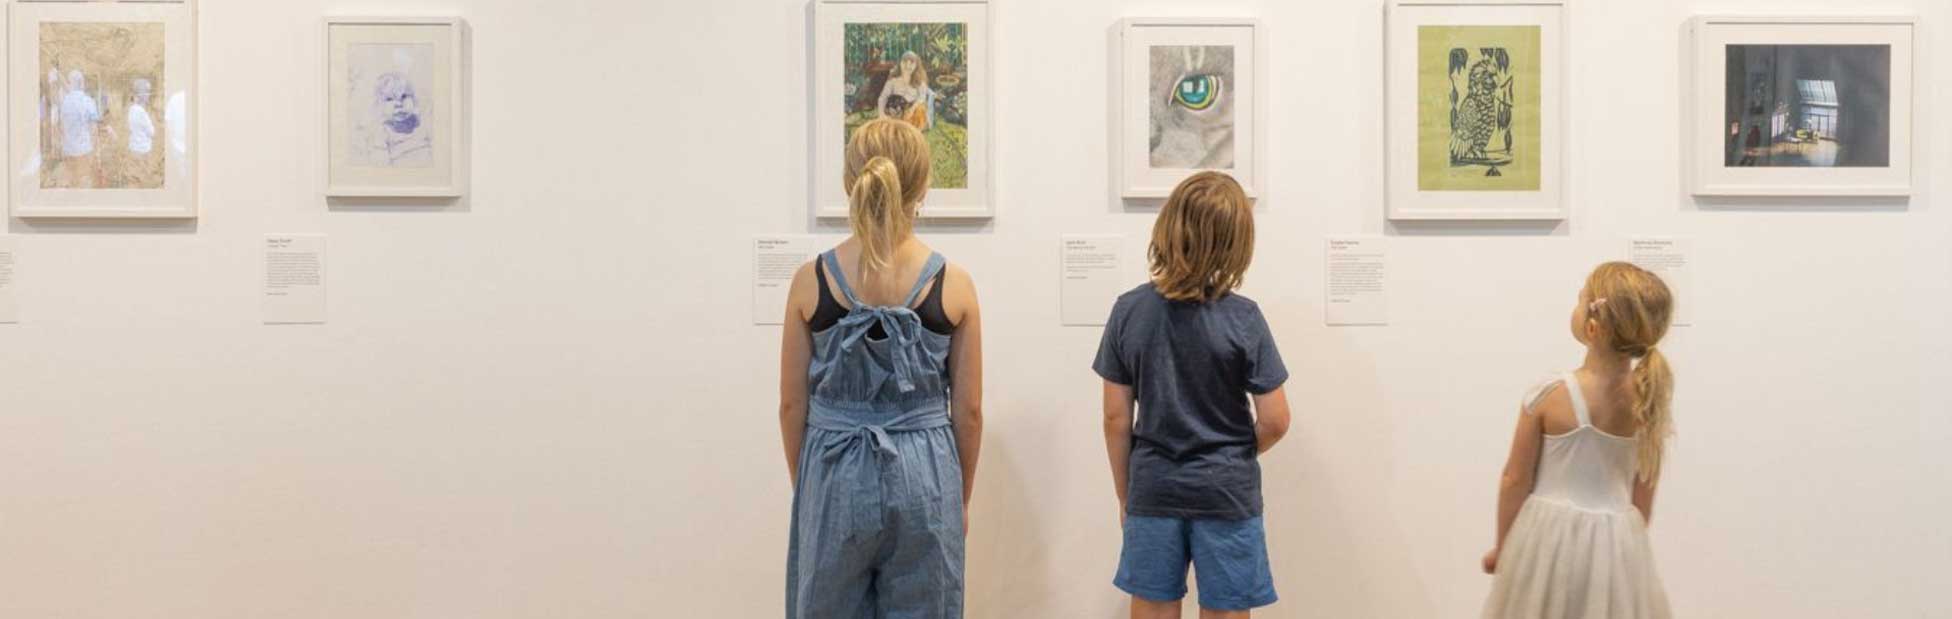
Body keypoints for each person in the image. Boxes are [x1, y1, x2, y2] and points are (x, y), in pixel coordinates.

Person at [779, 117, 983, 618]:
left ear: (851, 183)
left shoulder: (812, 281)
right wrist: (959, 498)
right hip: (926, 472)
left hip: (833, 465)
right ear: (923, 187)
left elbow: (790, 405)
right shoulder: (954, 285)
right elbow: (971, 411)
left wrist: (807, 484)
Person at [1096, 171, 1291, 619]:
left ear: (1168, 227)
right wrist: (1238, 453)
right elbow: (1277, 419)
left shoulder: (1129, 311)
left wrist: (1126, 493)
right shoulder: (1244, 318)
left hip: (1153, 486)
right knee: (1225, 610)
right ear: (1237, 242)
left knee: (1152, 605)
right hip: (1226, 490)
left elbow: (1115, 420)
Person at [1480, 262, 1676, 619]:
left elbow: (1515, 479)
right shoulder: (1649, 403)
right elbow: (1643, 499)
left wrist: (1504, 546)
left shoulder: (1549, 395)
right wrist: (1618, 549)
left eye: (1580, 298)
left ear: (1592, 325)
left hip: (1546, 539)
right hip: (1616, 544)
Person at [876, 51, 934, 131]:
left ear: (916, 65)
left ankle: (910, 130)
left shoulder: (920, 81)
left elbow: (922, 97)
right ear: (900, 63)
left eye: (911, 63)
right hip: (896, 109)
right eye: (905, 62)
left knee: (920, 109)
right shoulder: (893, 81)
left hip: (911, 111)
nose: (907, 66)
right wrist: (881, 114)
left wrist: (912, 109)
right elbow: (882, 97)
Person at [127, 78, 155, 156]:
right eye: (147, 92)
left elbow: (130, 129)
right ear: (142, 94)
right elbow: (151, 132)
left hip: (133, 147)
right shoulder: (141, 112)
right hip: (143, 150)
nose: (149, 95)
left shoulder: (131, 109)